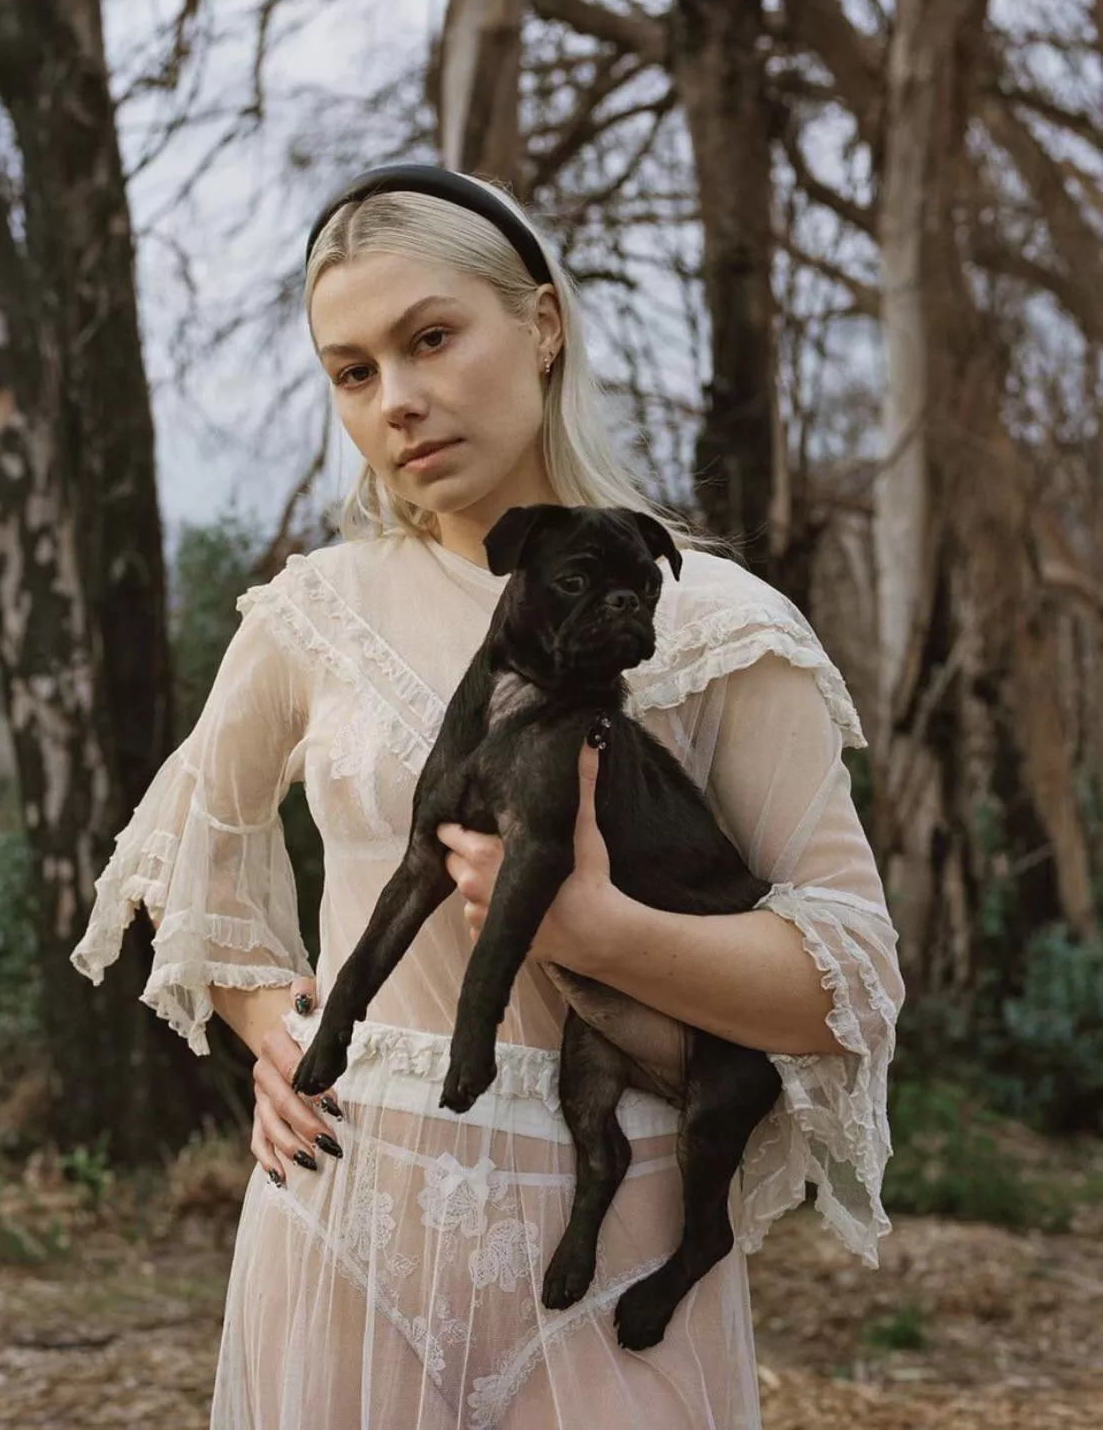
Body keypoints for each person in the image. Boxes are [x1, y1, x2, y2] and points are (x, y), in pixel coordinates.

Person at [71, 163, 904, 1429]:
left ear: (543, 324)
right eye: (354, 371)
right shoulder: (313, 611)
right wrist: (276, 1027)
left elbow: (846, 975)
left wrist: (597, 931)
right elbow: (199, 855)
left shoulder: (718, 624)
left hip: (612, 1233)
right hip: (348, 1220)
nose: (398, 400)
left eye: (432, 337)